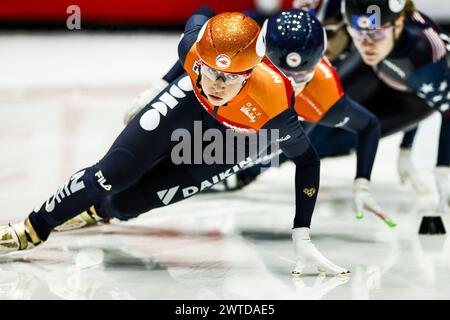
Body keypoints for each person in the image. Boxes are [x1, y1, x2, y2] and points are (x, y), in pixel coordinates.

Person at [0, 8, 350, 277]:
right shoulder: (192, 50)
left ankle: (98, 212)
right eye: (210, 70)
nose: (216, 83)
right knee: (110, 175)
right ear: (199, 57)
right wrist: (158, 87)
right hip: (186, 104)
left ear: (252, 71)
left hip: (236, 137)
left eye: (230, 78)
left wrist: (301, 233)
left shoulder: (274, 101)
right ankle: (32, 228)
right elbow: (201, 10)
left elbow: (307, 162)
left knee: (128, 204)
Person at [322, 0, 450, 213]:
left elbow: (446, 110)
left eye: (375, 35)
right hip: (383, 70)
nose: (367, 44)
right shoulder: (371, 29)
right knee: (314, 111)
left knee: (328, 142)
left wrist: (442, 169)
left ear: (400, 24)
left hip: (409, 97)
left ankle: (253, 166)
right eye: (357, 33)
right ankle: (252, 159)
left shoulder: (426, 57)